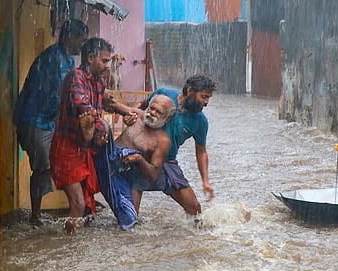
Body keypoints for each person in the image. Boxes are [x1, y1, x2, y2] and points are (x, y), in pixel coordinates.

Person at [13, 19, 89, 226]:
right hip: (34, 121)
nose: (81, 47)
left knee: (64, 159)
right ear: (70, 37)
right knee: (43, 167)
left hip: (48, 122)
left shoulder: (67, 59)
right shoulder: (54, 60)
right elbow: (62, 96)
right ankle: (35, 216)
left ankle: (77, 203)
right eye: (81, 42)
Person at [49, 37, 120, 233]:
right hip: (66, 149)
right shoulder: (75, 77)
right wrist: (102, 126)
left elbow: (105, 104)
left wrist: (129, 112)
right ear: (90, 58)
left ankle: (76, 245)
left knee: (88, 206)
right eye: (105, 61)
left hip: (84, 149)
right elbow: (83, 106)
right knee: (78, 204)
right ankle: (69, 248)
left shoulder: (99, 83)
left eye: (109, 61)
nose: (108, 65)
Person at [132, 75, 218, 218]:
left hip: (167, 162)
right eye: (203, 97)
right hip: (140, 158)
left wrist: (205, 181)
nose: (206, 102)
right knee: (129, 218)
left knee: (195, 210)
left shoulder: (201, 121)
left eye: (208, 98)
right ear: (190, 91)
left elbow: (201, 152)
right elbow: (142, 105)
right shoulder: (164, 94)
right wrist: (130, 117)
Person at [94, 94, 176, 229]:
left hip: (122, 174)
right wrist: (105, 94)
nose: (152, 113)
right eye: (151, 108)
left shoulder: (162, 141)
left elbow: (154, 174)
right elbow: (110, 104)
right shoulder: (137, 115)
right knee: (104, 127)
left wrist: (139, 159)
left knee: (129, 221)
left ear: (167, 118)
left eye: (158, 112)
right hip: (105, 158)